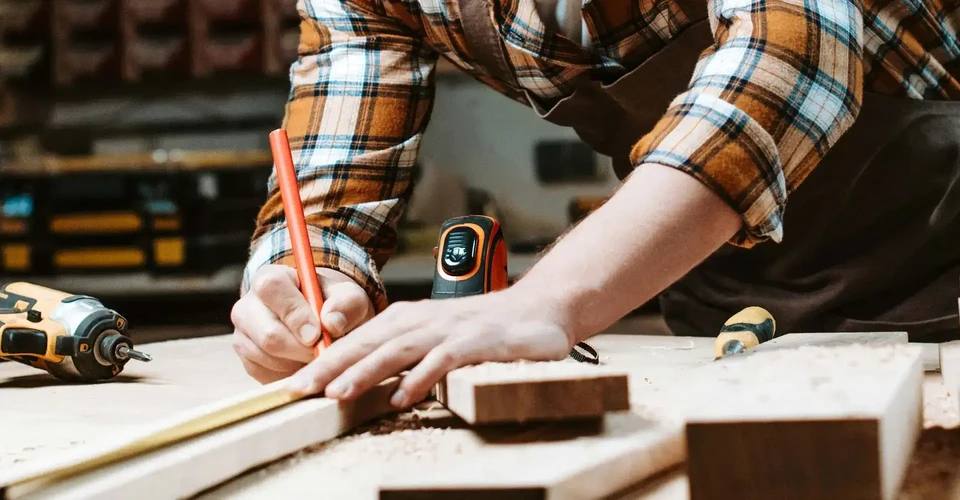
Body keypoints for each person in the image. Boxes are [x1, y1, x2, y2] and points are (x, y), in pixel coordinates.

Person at [230, 0, 960, 408]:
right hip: (732, 309)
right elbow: (332, 180)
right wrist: (304, 284)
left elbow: (795, 51)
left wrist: (546, 299)